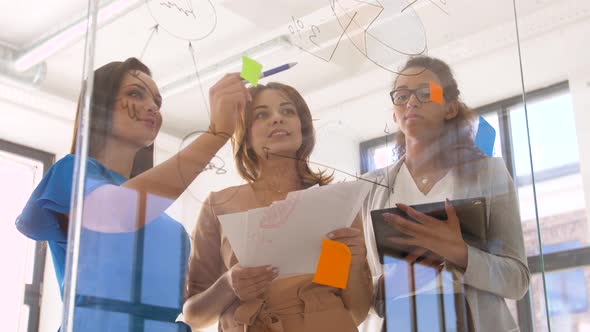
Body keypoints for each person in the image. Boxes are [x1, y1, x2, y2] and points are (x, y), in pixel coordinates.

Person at [16, 57, 249, 330]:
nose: (152, 106)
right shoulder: (72, 173)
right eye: (135, 93)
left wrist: (230, 282)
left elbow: (191, 312)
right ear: (98, 105)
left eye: (158, 101)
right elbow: (117, 211)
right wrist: (217, 133)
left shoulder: (172, 230)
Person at [183, 82, 373, 331]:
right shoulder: (218, 205)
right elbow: (193, 316)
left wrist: (354, 265)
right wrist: (228, 284)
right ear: (246, 136)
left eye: (287, 111)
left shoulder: (335, 204)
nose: (277, 119)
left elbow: (356, 312)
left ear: (302, 128)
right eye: (262, 114)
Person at [360, 56, 530, 331]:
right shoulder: (369, 188)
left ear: (450, 109)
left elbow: (518, 281)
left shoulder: (489, 174)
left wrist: (461, 254)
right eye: (402, 96)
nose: (411, 102)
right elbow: (353, 296)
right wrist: (387, 285)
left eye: (425, 93)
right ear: (395, 114)